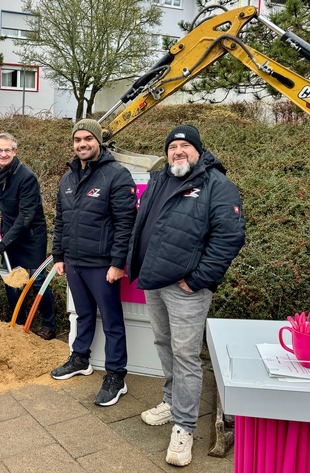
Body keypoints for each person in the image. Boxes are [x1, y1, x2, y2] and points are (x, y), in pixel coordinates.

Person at [127, 125, 245, 467]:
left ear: (198, 150)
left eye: (184, 146)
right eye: (172, 147)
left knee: (186, 356)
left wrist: (198, 280)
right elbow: (143, 224)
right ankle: (171, 400)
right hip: (154, 281)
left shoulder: (217, 185)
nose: (178, 151)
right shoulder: (161, 179)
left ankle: (184, 426)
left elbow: (229, 238)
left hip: (186, 290)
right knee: (164, 345)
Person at [51, 119, 137, 408]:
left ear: (99, 141)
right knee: (82, 314)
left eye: (88, 138)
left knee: (112, 322)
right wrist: (58, 256)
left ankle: (116, 375)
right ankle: (80, 359)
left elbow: (126, 223)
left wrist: (118, 263)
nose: (82, 144)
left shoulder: (117, 175)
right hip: (74, 262)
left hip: (102, 265)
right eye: (77, 139)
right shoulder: (67, 178)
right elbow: (60, 220)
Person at [0, 132, 55, 339]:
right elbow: (1, 194)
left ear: (15, 152)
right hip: (11, 232)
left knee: (37, 280)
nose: (3, 154)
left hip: (31, 236)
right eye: (0, 150)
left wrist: (5, 240)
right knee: (11, 280)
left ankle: (48, 325)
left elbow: (26, 215)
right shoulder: (0, 171)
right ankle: (19, 321)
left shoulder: (26, 177)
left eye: (8, 150)